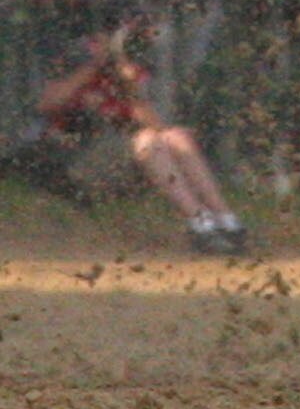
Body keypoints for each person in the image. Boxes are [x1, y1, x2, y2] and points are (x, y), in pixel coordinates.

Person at [35, 20, 250, 254]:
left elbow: (157, 127)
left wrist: (128, 85)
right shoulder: (77, 66)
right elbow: (48, 103)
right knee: (148, 141)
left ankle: (224, 220)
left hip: (131, 161)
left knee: (174, 136)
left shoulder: (130, 76)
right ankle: (199, 222)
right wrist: (94, 68)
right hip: (82, 163)